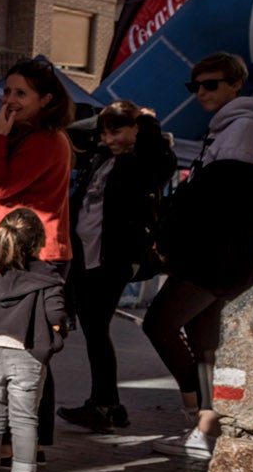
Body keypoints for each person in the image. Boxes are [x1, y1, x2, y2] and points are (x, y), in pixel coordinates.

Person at [145, 53, 253, 463]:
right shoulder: (231, 126)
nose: (202, 92)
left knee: (160, 323)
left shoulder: (243, 128)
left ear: (235, 84)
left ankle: (201, 414)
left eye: (211, 84)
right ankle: (207, 429)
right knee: (204, 341)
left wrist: (171, 233)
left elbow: (217, 201)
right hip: (225, 255)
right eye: (196, 86)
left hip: (215, 256)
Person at [0, 58, 74, 472]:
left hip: (29, 256)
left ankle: (6, 448)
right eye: (7, 92)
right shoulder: (29, 137)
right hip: (16, 253)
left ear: (46, 99)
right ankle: (25, 444)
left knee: (24, 352)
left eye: (21, 93)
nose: (10, 100)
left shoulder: (45, 139)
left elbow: (3, 184)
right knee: (29, 351)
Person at [59, 102, 174, 433]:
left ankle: (107, 405)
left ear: (135, 129)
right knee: (95, 331)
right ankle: (106, 404)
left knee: (96, 330)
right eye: (105, 132)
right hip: (85, 255)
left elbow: (162, 157)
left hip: (113, 259)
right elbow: (72, 132)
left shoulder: (144, 162)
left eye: (117, 131)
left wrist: (146, 121)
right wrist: (105, 118)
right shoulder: (102, 157)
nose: (109, 138)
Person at [0, 208, 71, 472]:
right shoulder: (47, 275)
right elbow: (56, 312)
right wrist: (57, 332)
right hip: (25, 350)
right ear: (39, 240)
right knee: (25, 418)